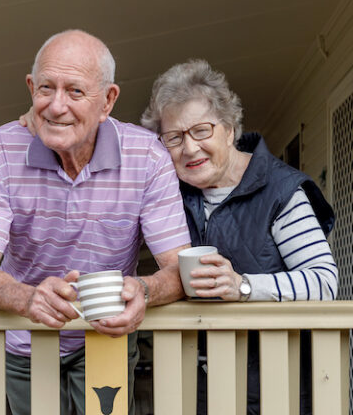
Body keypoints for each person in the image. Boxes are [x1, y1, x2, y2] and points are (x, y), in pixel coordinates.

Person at [0, 29, 191, 415]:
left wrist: (144, 292)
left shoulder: (146, 156)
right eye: (46, 88)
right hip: (26, 338)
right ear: (31, 88)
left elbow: (178, 268)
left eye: (76, 92)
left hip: (106, 336)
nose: (56, 106)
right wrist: (28, 298)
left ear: (108, 101)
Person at [140, 59, 337, 414]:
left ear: (229, 129)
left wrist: (244, 287)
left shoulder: (280, 190)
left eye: (202, 130)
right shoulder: (171, 197)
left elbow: (324, 282)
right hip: (203, 386)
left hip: (281, 386)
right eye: (174, 137)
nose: (189, 148)